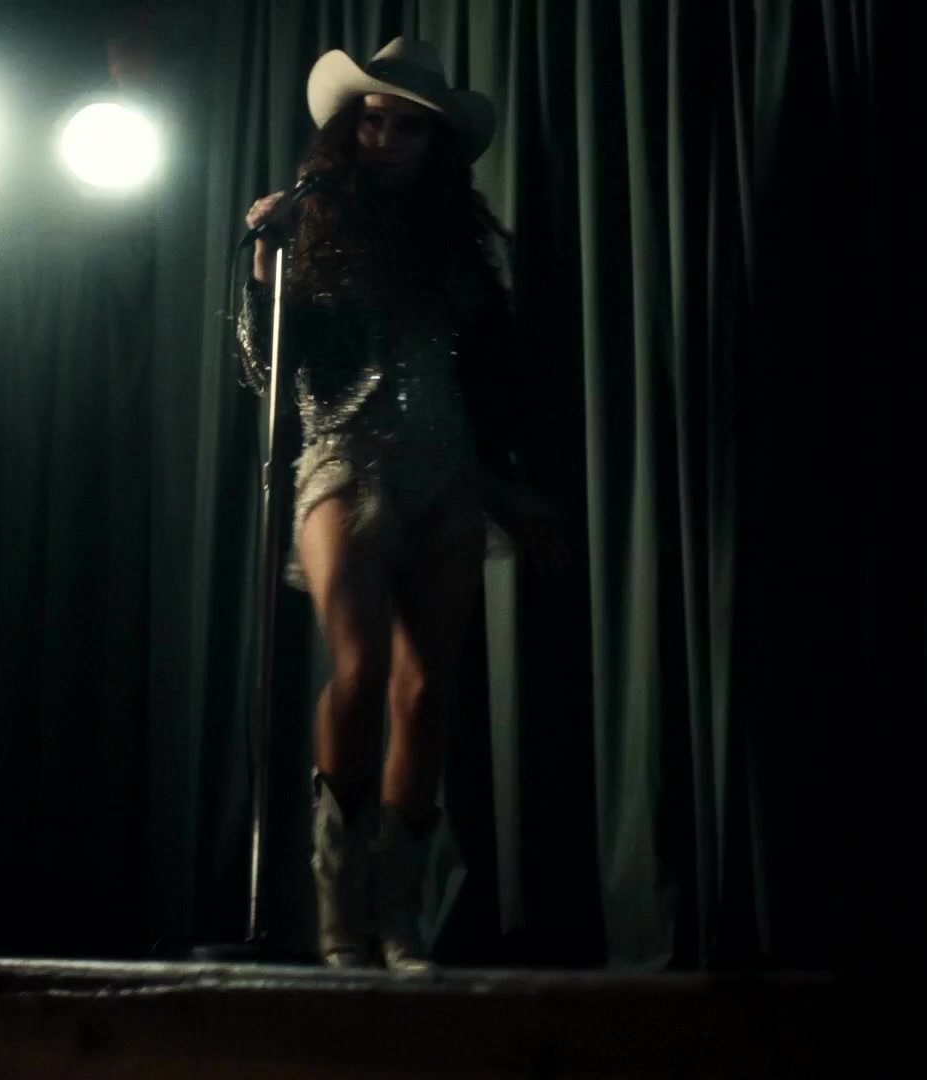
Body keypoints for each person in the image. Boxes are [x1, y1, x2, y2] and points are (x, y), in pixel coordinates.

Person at [235, 37, 564, 971]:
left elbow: (493, 383)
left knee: (425, 693)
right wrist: (266, 276)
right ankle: (340, 909)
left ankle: (400, 913)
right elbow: (267, 369)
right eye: (372, 122)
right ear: (348, 130)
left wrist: (507, 483)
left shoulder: (459, 251)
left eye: (407, 129)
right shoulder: (310, 223)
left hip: (448, 472)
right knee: (362, 666)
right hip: (343, 461)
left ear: (434, 146)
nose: (384, 140)